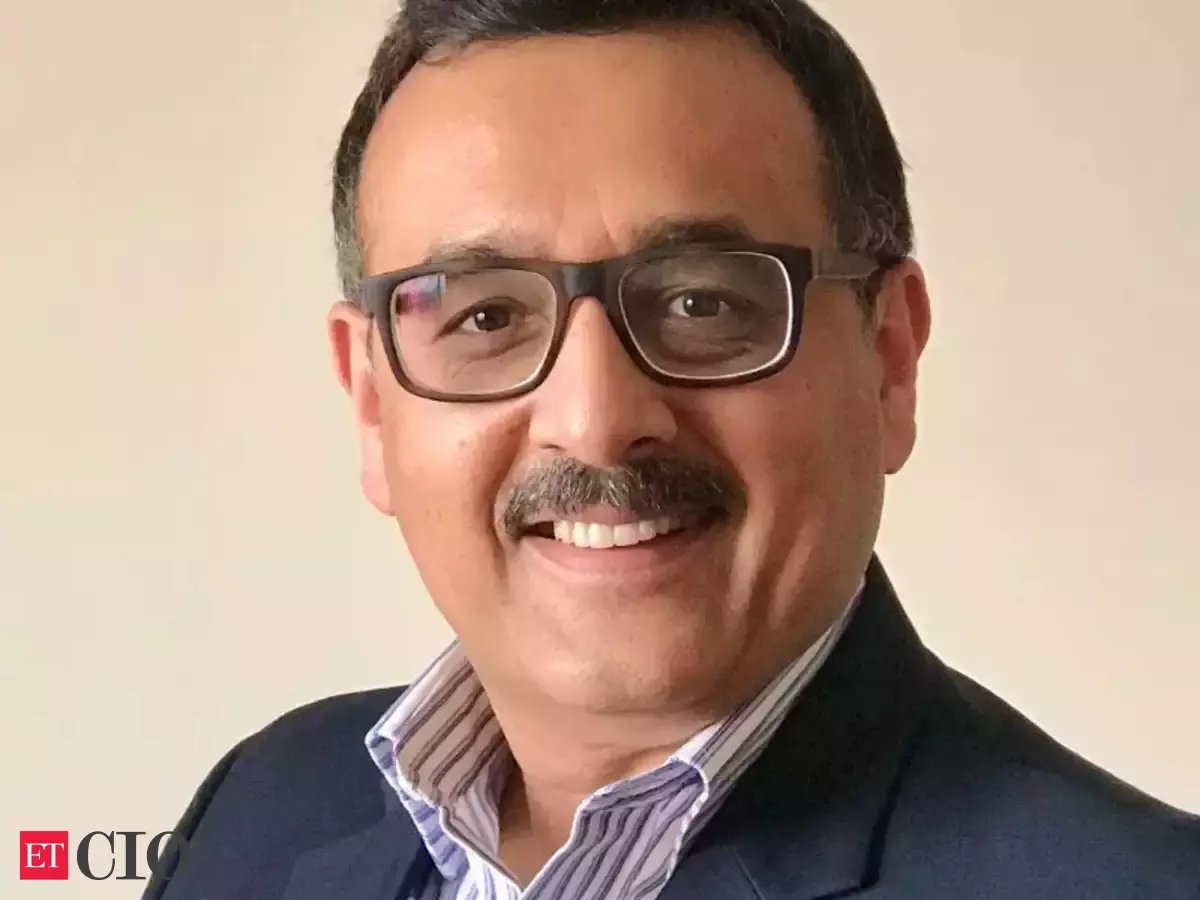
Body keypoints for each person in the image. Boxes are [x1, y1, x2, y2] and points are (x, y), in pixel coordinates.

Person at [142, 1, 1200, 898]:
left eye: (703, 302)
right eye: (485, 317)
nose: (595, 419)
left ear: (888, 361)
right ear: (373, 404)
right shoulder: (261, 814)